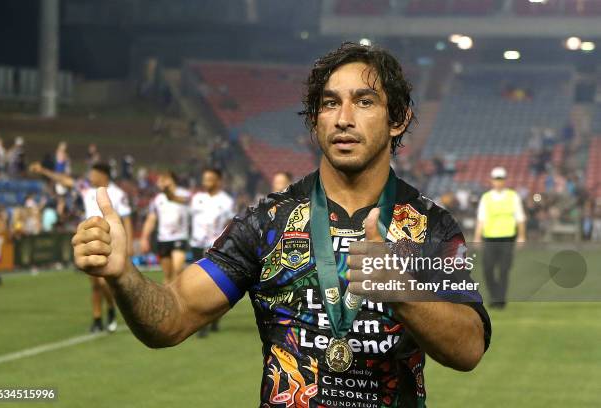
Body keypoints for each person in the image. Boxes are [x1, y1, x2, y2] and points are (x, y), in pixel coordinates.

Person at [72, 42, 490, 407]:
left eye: (364, 102)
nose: (343, 118)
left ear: (397, 119)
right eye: (329, 103)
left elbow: (469, 348)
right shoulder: (268, 222)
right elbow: (172, 318)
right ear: (314, 120)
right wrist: (122, 276)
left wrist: (403, 293)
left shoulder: (431, 225)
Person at [31, 161, 133, 333]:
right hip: (90, 240)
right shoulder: (86, 189)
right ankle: (97, 319)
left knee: (103, 284)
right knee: (94, 284)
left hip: (109, 241)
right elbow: (65, 181)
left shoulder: (117, 194)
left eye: (93, 174)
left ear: (103, 175)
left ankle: (110, 308)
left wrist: (128, 244)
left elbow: (127, 219)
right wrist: (43, 170)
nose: (90, 177)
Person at [188, 168, 234, 336]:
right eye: (204, 179)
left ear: (218, 181)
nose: (205, 182)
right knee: (197, 284)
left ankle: (211, 319)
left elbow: (230, 224)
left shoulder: (226, 201)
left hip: (215, 247)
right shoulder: (197, 199)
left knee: (212, 285)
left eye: (209, 179)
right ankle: (204, 321)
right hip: (196, 244)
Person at [474, 166, 526, 309]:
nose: (498, 182)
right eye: (496, 179)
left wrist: (521, 236)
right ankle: (496, 295)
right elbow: (481, 219)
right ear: (491, 180)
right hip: (490, 238)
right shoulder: (486, 198)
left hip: (507, 238)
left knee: (504, 270)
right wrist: (477, 236)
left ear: (505, 180)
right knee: (488, 269)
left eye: (501, 179)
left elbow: (520, 218)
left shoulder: (513, 196)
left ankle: (499, 300)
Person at [140, 170, 191, 283]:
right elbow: (151, 219)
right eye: (161, 180)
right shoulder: (157, 199)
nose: (162, 182)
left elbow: (178, 199)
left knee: (177, 269)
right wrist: (144, 238)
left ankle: (182, 295)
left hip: (179, 237)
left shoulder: (184, 194)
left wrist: (168, 191)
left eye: (165, 179)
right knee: (168, 276)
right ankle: (169, 297)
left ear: (173, 180)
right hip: (163, 239)